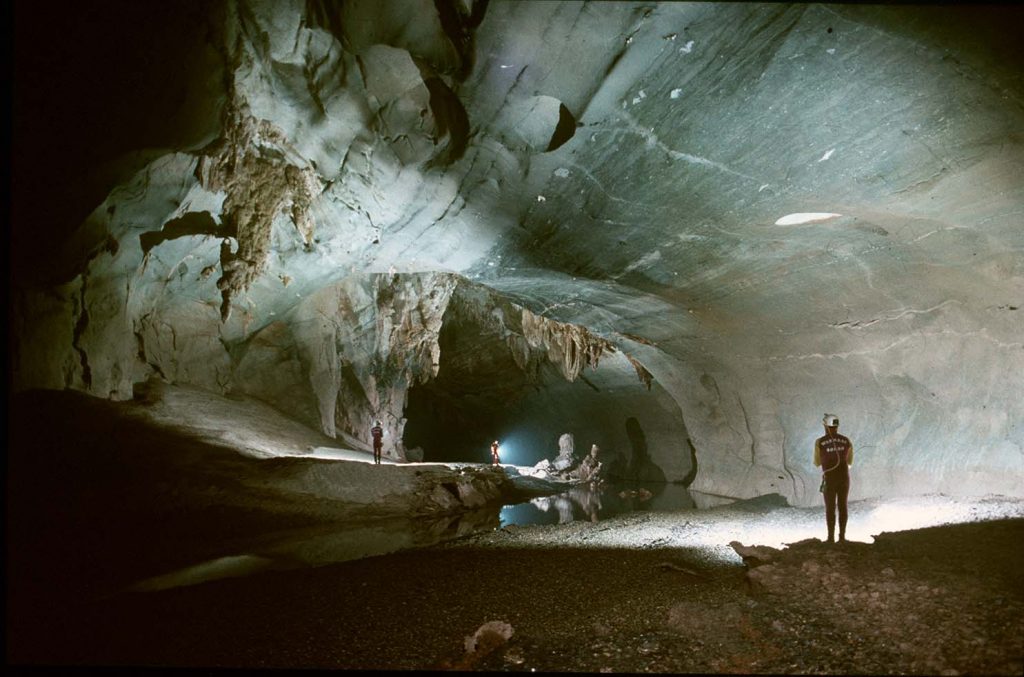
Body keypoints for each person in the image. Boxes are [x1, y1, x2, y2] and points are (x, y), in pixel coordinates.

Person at [814, 413, 854, 543]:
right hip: (844, 477)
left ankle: (830, 538)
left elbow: (817, 462)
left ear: (825, 425)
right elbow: (849, 462)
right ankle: (842, 537)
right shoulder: (846, 440)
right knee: (843, 506)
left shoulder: (820, 442)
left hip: (829, 478)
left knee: (830, 507)